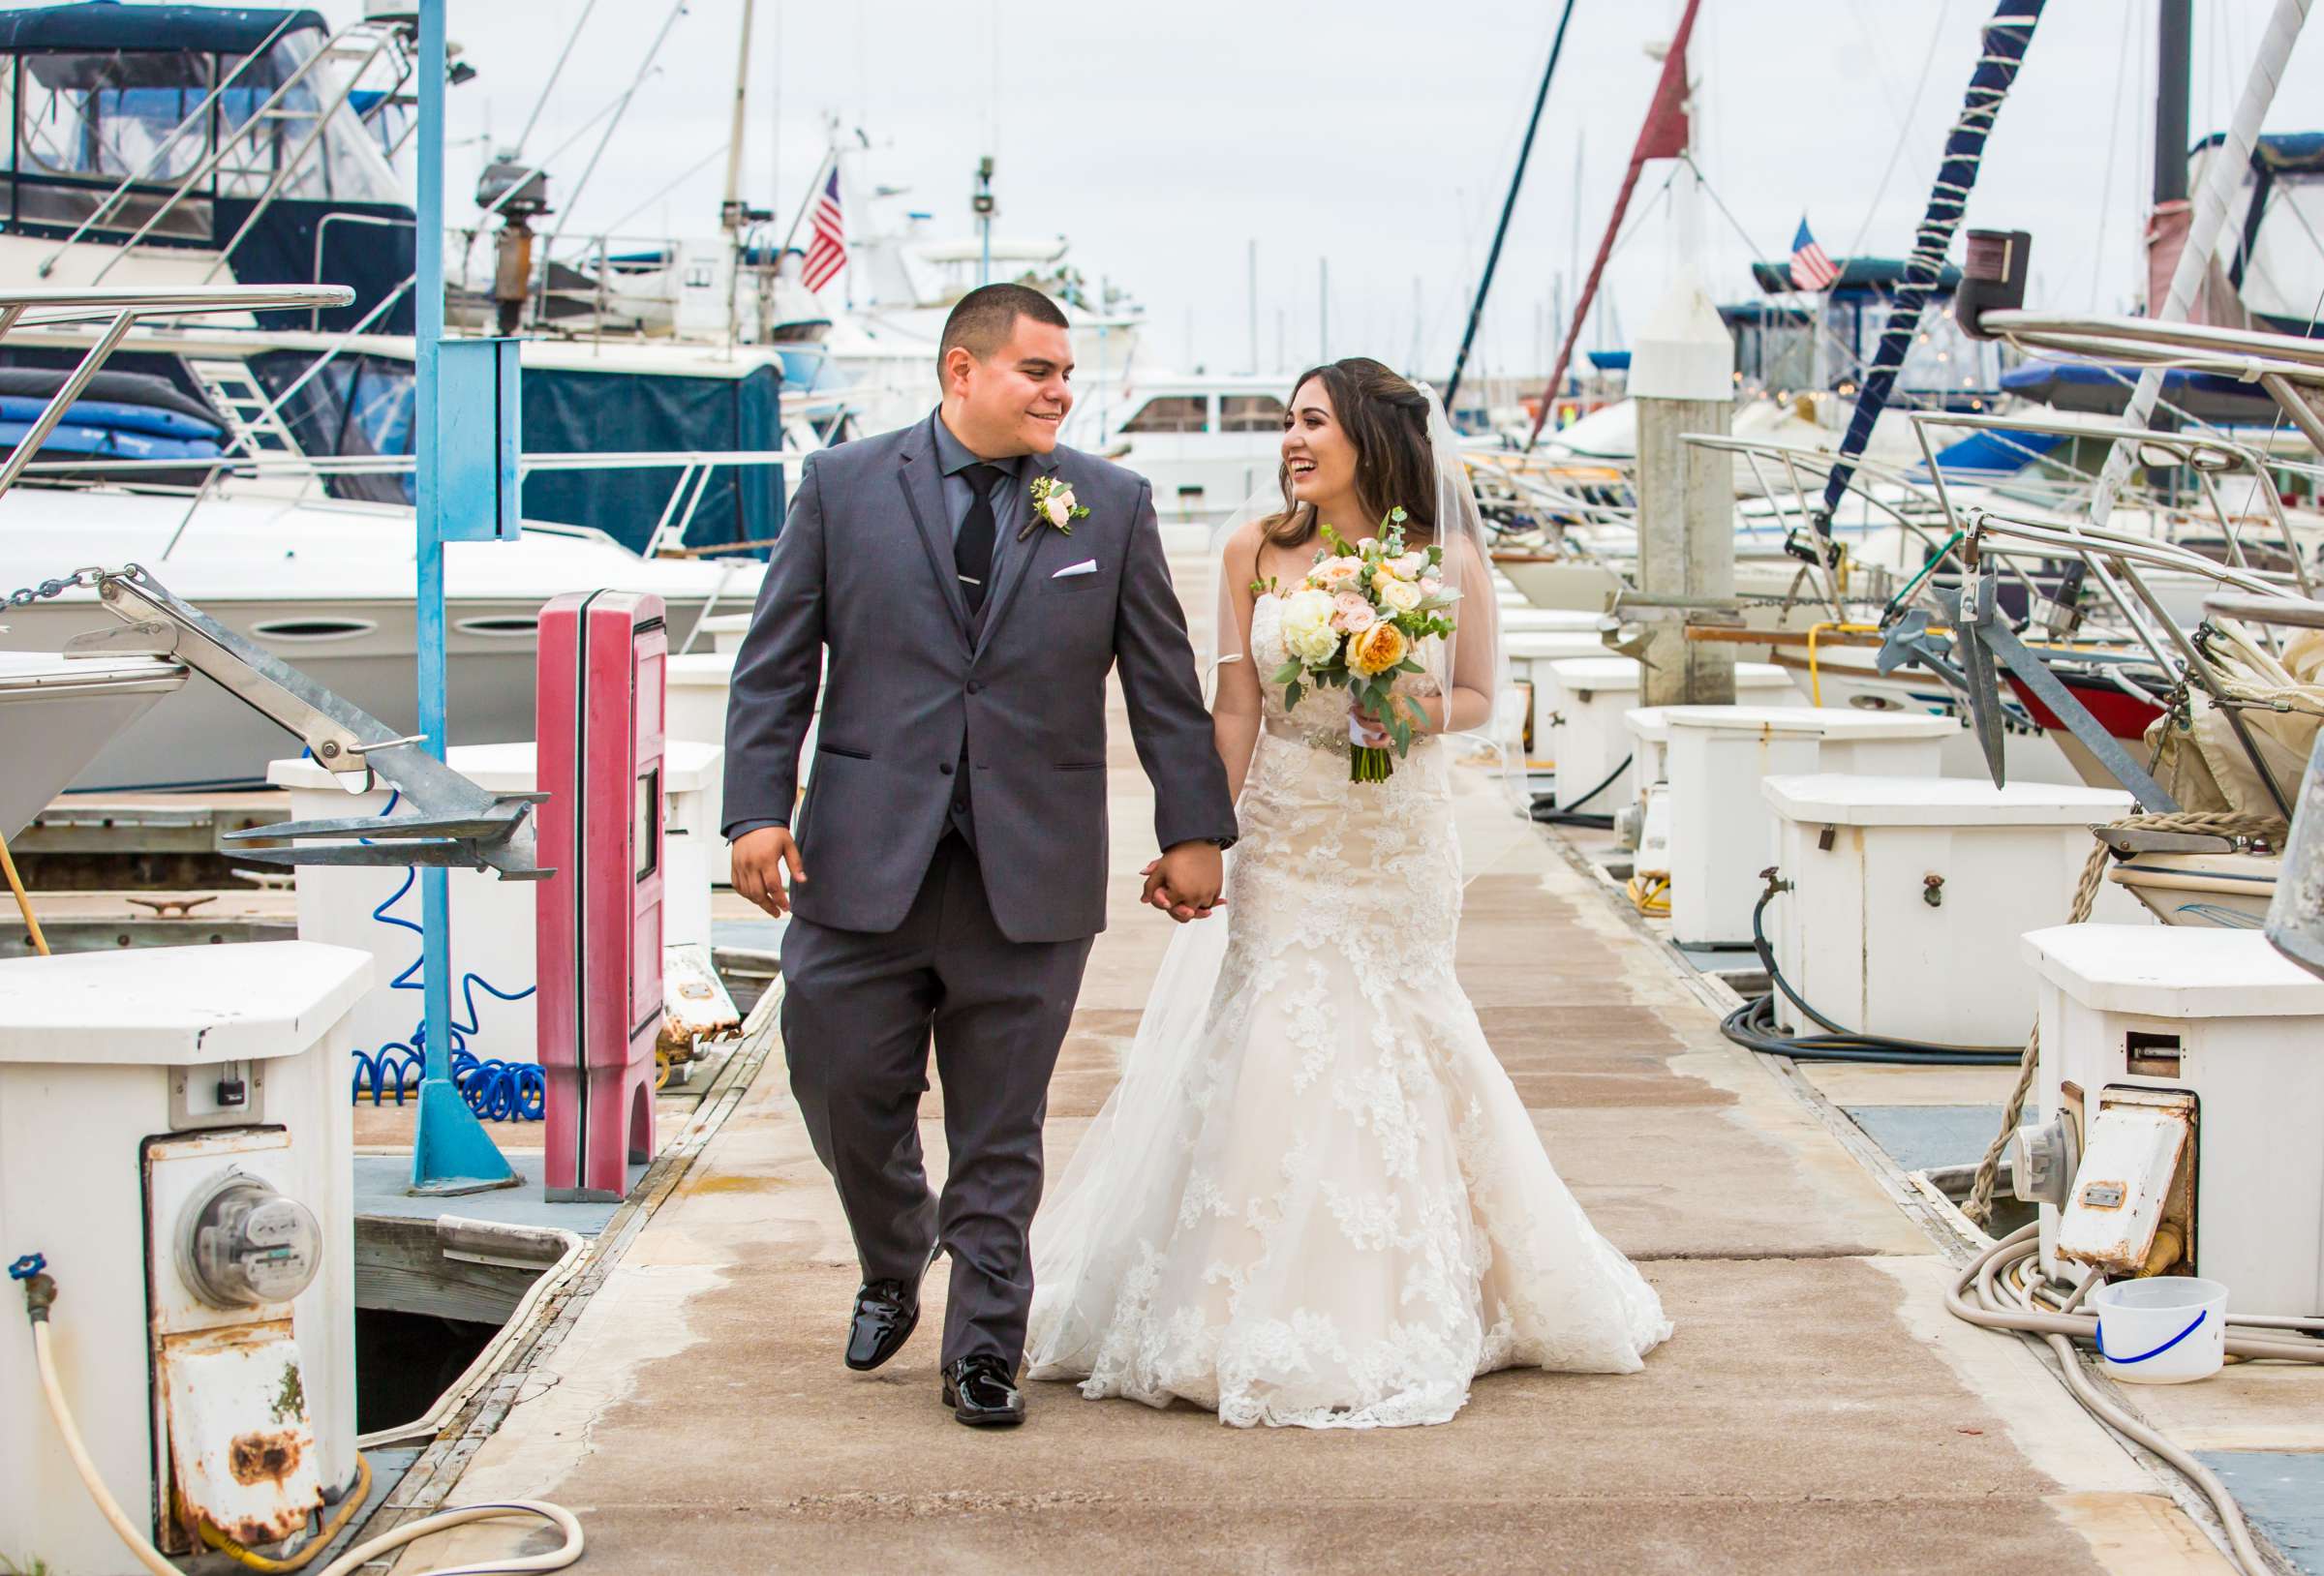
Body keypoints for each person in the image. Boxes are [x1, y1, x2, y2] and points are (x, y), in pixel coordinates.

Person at [1023, 357, 1672, 1429]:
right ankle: (1244, 1297)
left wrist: (1409, 710)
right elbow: (1234, 708)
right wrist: (1204, 837)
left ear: (1368, 435)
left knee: (1405, 1038)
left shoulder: (1445, 554)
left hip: (1396, 843)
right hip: (1289, 836)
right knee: (1279, 1038)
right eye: (1287, 420)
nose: (1292, 437)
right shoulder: (1253, 551)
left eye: (1312, 420)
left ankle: (1429, 1288)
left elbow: (1474, 697)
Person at [722, 283, 1238, 1429]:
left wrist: (1193, 829)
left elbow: (1162, 685)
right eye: (1038, 371)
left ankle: (984, 1347)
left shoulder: (1109, 503)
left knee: (1002, 1123)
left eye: (1066, 375)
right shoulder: (844, 488)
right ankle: (895, 1247)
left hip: (1031, 871)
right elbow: (774, 666)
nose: (1062, 390)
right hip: (860, 863)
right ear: (962, 371)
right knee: (842, 1082)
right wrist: (756, 811)